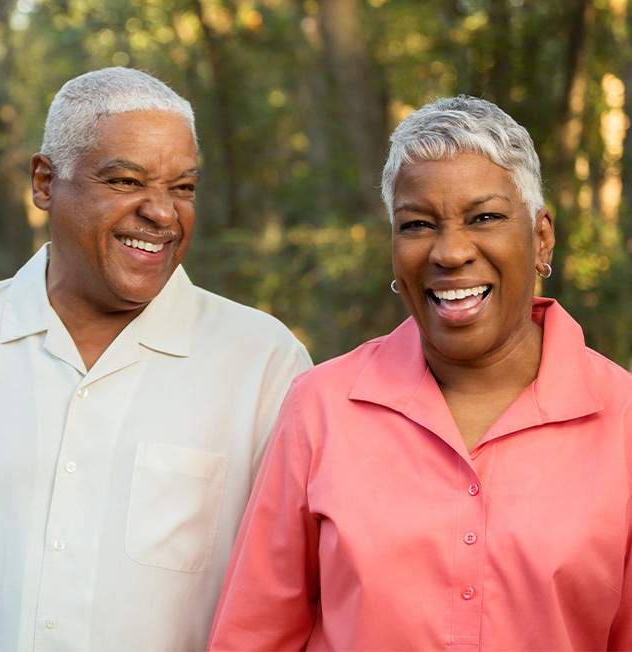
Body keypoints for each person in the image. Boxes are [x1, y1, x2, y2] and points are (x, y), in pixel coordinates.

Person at [208, 95, 632, 650]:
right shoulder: (321, 407)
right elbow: (253, 635)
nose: (450, 252)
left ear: (542, 237)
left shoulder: (622, 420)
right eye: (417, 224)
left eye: (484, 217)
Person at [0, 67, 312, 651]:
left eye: (183, 187)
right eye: (126, 180)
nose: (162, 213)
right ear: (44, 183)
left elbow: (295, 599)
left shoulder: (264, 365)